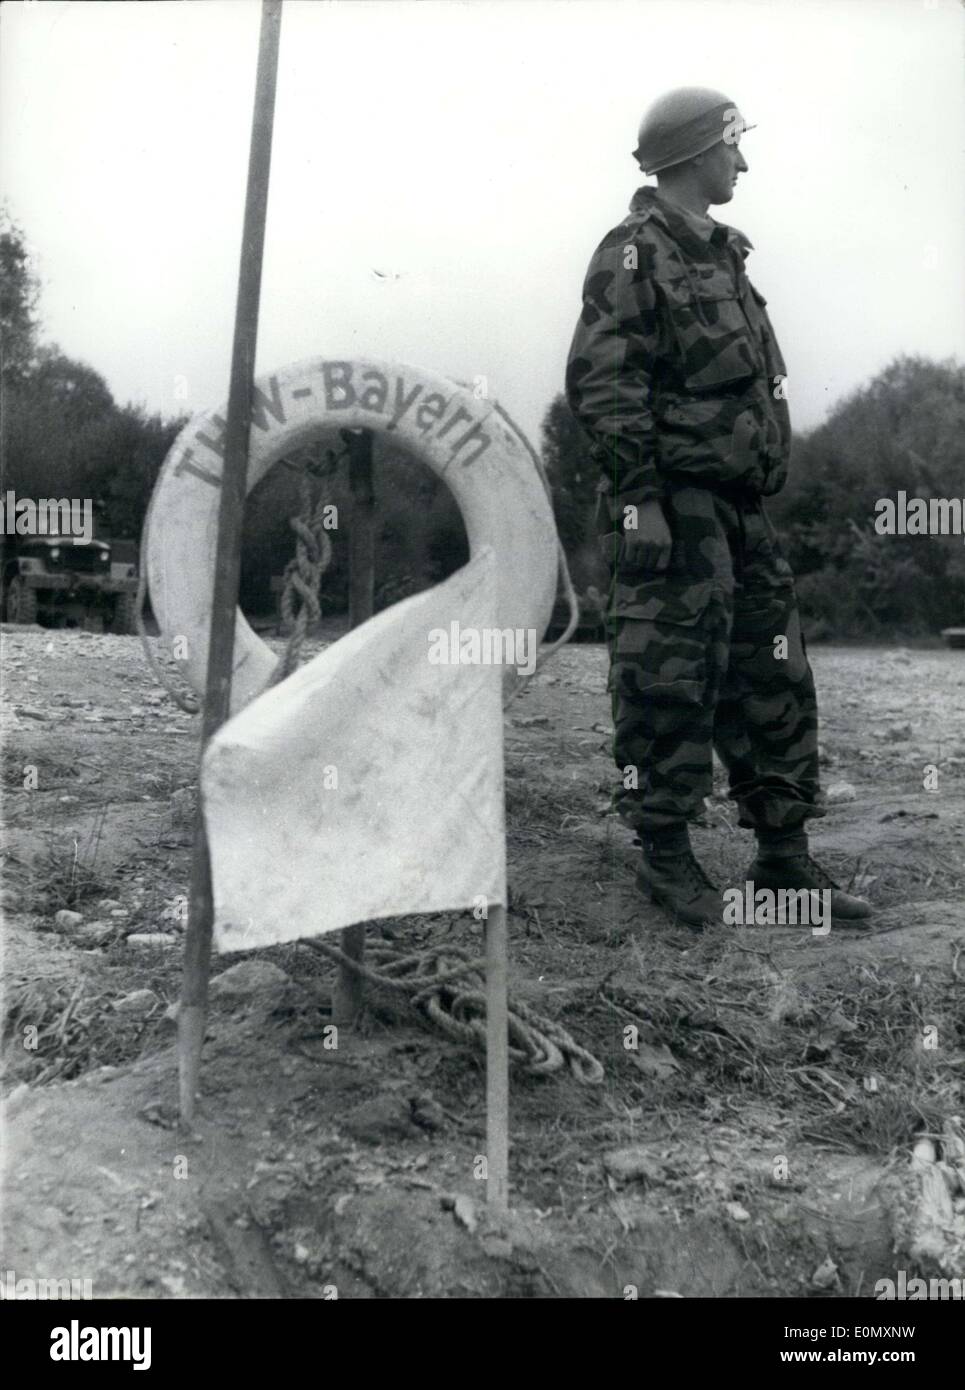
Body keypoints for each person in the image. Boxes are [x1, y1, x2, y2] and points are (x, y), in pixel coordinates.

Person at [565, 87, 872, 931]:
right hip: (672, 508)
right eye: (733, 146)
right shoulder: (633, 252)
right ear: (698, 151)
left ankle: (782, 859)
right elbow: (606, 383)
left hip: (739, 511)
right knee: (666, 678)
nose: (742, 161)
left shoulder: (725, 255)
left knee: (772, 674)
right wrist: (638, 501)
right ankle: (664, 856)